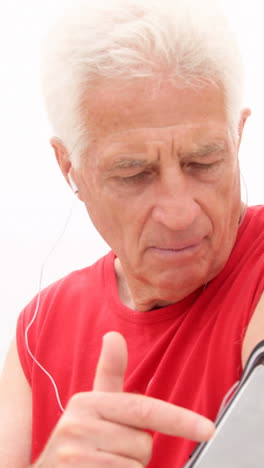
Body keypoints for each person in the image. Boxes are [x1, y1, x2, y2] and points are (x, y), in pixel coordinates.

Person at [0, 0, 263, 467]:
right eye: (133, 173)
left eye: (203, 161)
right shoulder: (37, 333)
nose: (180, 214)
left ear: (237, 137)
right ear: (71, 170)